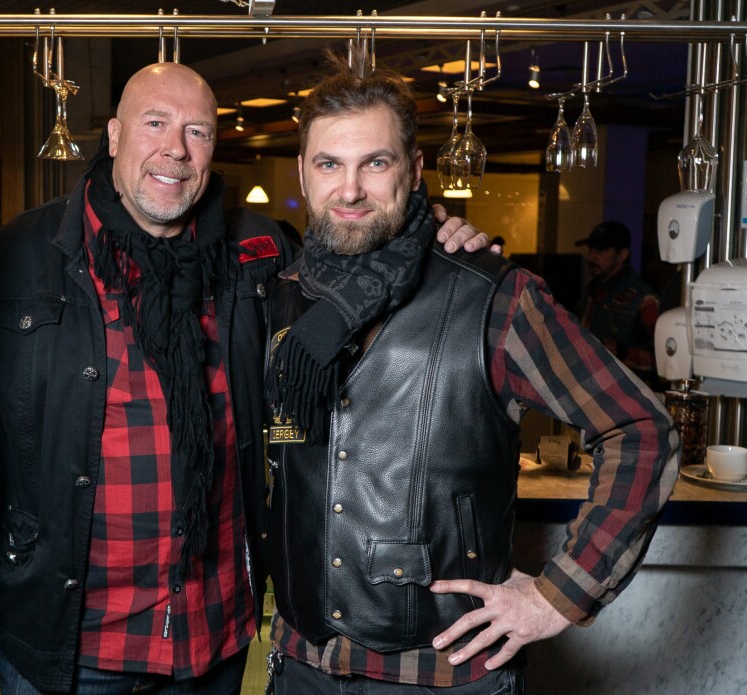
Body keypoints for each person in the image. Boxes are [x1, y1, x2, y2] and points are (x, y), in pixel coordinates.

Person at [0, 62, 490, 694]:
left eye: (197, 132)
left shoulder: (261, 251)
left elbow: (360, 274)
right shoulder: (17, 256)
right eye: (155, 124)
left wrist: (425, 233)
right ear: (115, 137)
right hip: (70, 638)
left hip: (212, 634)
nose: (175, 149)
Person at [261, 61, 679, 694]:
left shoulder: (494, 297)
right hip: (302, 667)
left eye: (375, 163)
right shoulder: (277, 295)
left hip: (443, 675)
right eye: (328, 164)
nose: (349, 189)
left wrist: (559, 596)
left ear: (413, 169)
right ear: (302, 173)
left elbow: (641, 427)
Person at [575, 220, 661, 385]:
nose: (591, 257)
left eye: (601, 251)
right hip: (592, 385)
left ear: (622, 255)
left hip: (627, 391)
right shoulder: (592, 290)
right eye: (591, 250)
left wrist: (622, 352)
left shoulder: (645, 299)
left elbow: (667, 358)